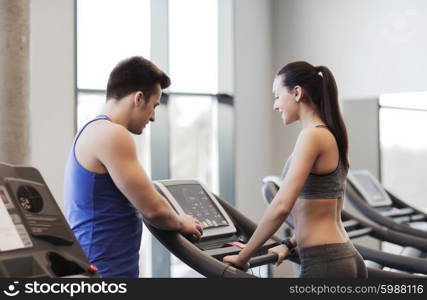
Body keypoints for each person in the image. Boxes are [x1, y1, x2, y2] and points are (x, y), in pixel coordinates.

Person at [223, 61, 367, 278]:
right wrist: (288, 245)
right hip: (344, 257)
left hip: (325, 262)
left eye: (277, 96)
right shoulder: (331, 135)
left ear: (297, 93)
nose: (275, 105)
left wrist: (244, 257)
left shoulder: (312, 136)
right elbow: (321, 210)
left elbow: (281, 205)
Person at [64, 56, 203, 278]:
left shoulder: (92, 131)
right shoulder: (112, 134)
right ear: (139, 98)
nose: (154, 117)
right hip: (104, 274)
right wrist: (181, 221)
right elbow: (154, 209)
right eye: (154, 106)